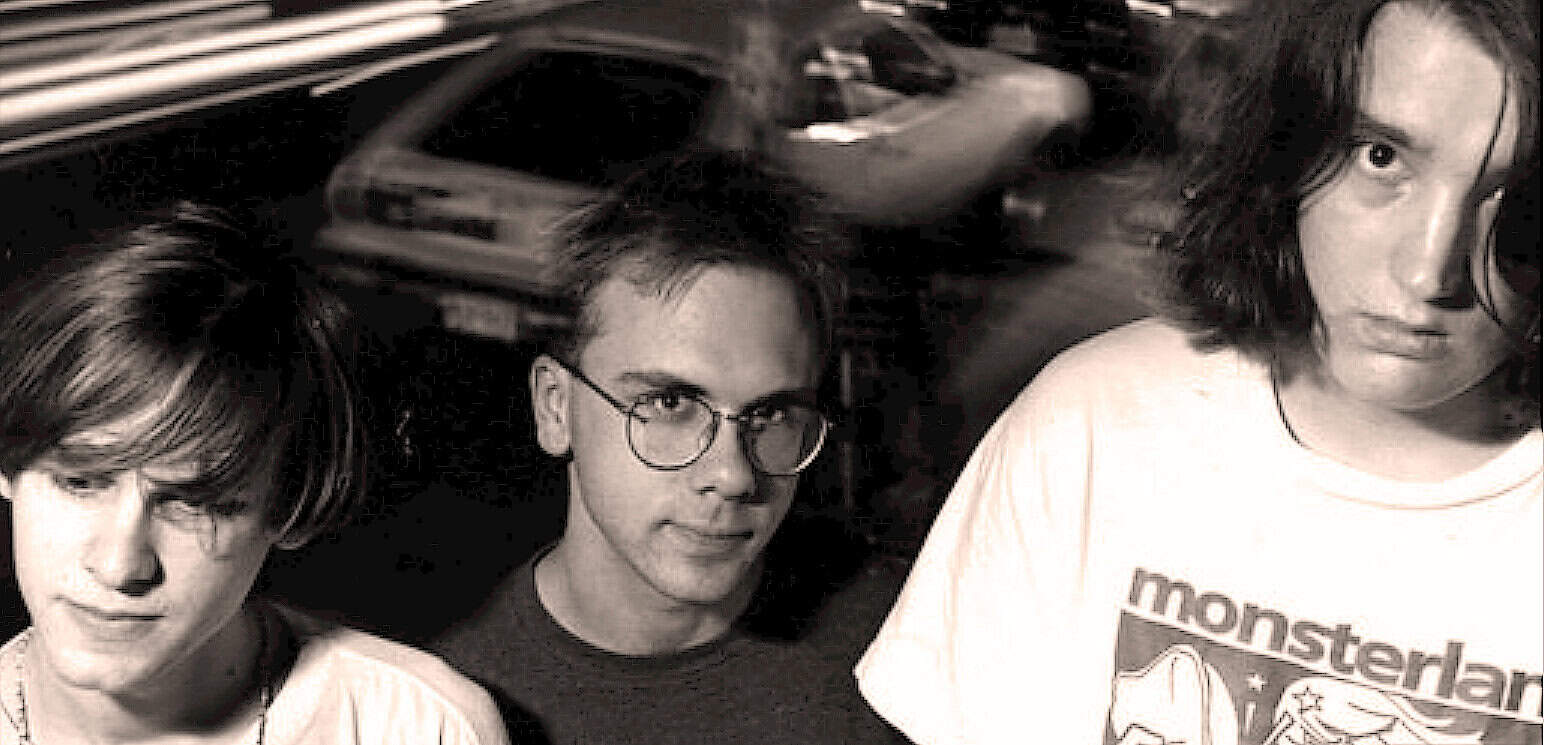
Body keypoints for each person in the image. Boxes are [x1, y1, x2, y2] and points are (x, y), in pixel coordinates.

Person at [855, 0, 1543, 742]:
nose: (1427, 268)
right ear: (1287, 148)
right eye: (1380, 157)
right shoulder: (1094, 422)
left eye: (1519, 197)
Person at [430, 149, 906, 744]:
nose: (733, 474)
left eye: (773, 413)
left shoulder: (904, 656)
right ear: (556, 407)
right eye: (671, 404)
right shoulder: (439, 709)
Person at [0, 204, 510, 745]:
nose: (120, 565)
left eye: (195, 503)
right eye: (80, 481)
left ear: (289, 509)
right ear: (7, 470)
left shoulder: (420, 728)